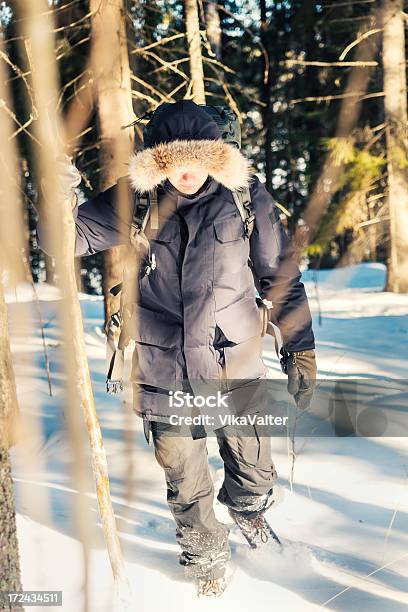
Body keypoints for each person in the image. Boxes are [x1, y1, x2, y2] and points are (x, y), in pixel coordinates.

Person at [37, 99, 316, 597]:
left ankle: (248, 512)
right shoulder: (136, 202)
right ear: (156, 161)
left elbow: (279, 277)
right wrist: (56, 200)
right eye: (171, 160)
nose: (185, 172)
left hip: (235, 362)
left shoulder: (245, 198)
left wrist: (300, 348)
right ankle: (206, 561)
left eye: (197, 158)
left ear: (214, 156)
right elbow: (66, 240)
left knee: (253, 470)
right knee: (185, 481)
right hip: (163, 364)